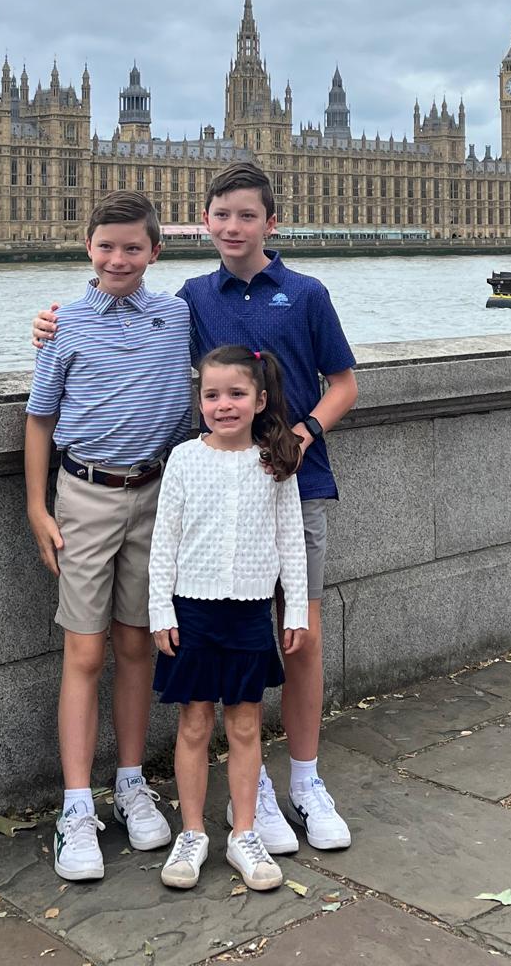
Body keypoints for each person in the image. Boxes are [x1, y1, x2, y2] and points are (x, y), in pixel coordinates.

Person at [33, 160, 358, 852]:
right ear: (203, 221)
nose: (234, 226)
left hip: (297, 482)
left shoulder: (306, 293)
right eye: (222, 215)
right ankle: (252, 788)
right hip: (212, 494)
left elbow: (345, 384)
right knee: (226, 638)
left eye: (248, 215)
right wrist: (50, 326)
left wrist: (300, 436)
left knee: (300, 636)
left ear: (272, 222)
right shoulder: (189, 301)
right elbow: (125, 341)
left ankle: (305, 781)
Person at [24, 190, 192, 883]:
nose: (118, 259)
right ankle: (75, 805)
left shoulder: (178, 317)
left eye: (132, 248)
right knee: (85, 651)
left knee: (136, 644)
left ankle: (129, 782)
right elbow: (39, 417)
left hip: (156, 496)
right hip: (86, 496)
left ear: (155, 252)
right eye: (106, 247)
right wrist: (37, 508)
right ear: (86, 247)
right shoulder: (62, 324)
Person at [151, 346, 309, 892]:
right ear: (199, 401)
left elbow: (291, 542)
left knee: (244, 724)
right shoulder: (183, 459)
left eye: (236, 394)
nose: (224, 405)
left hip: (250, 613)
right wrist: (160, 610)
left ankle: (244, 832)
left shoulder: (275, 463)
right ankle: (192, 832)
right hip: (192, 612)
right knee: (194, 722)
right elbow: (164, 542)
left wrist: (296, 609)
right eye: (212, 395)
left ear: (259, 400)